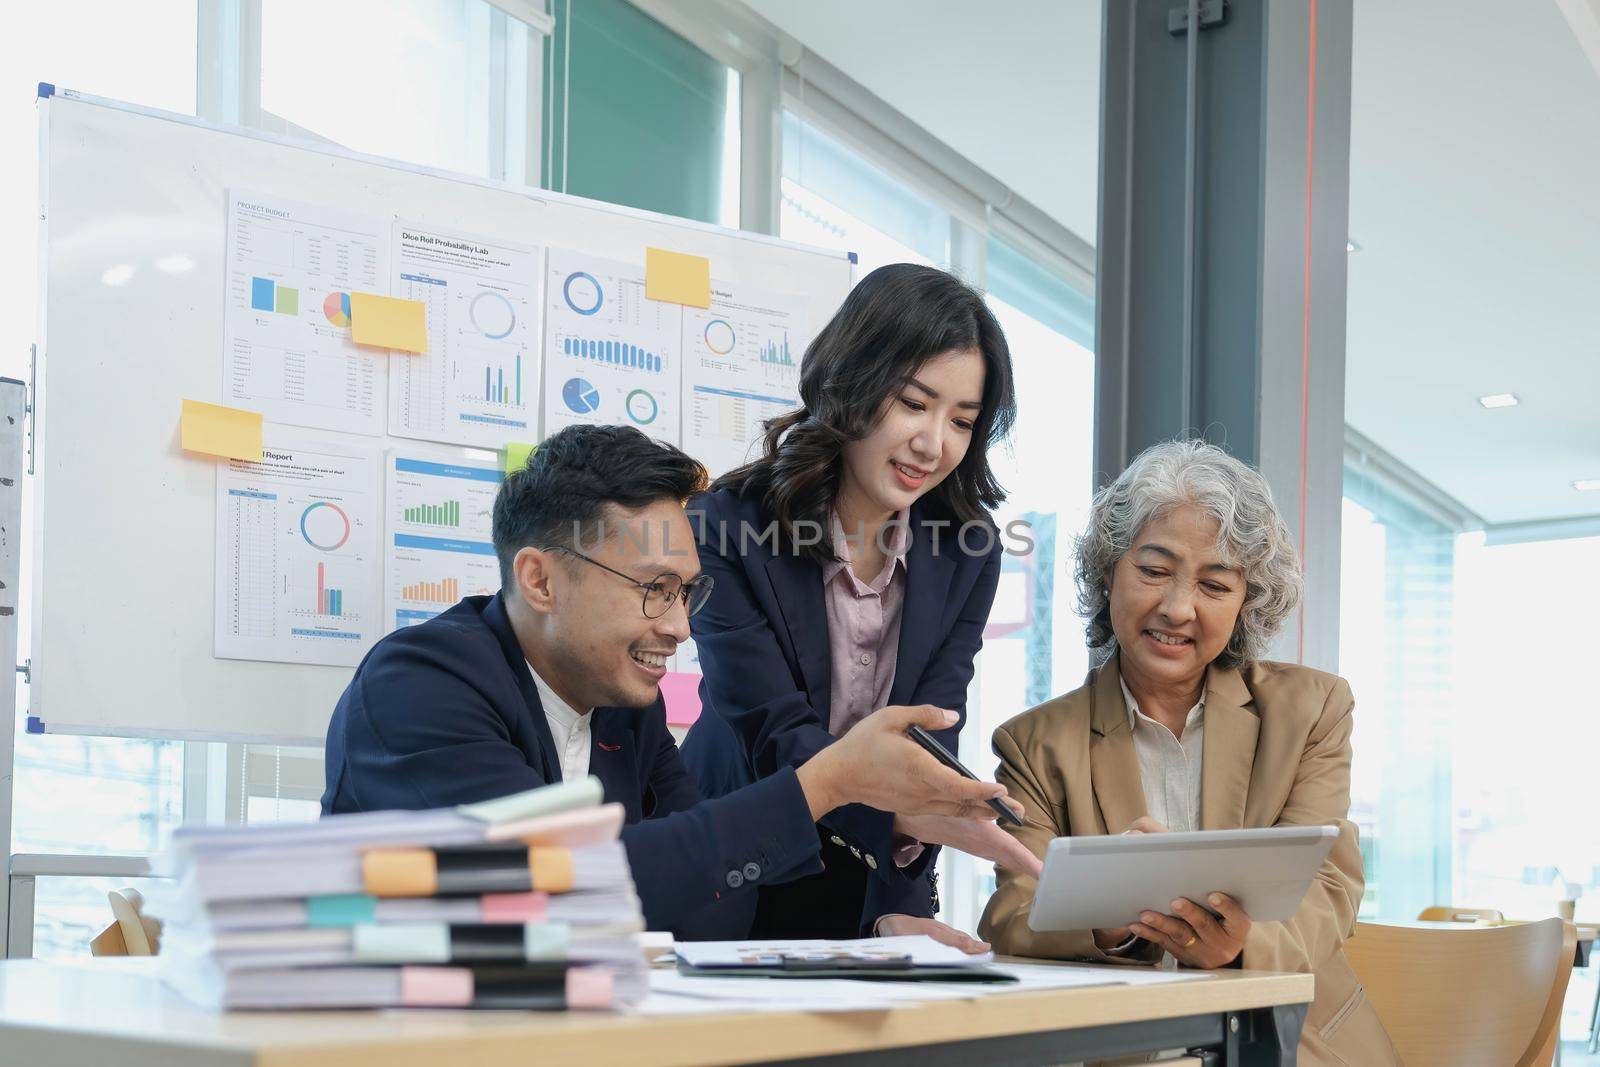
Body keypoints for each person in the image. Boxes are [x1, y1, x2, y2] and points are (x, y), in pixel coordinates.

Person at [322, 424, 1020, 940]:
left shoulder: (622, 709)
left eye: (687, 591)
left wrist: (869, 943)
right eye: (654, 588)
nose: (681, 628)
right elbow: (562, 879)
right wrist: (828, 781)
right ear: (539, 578)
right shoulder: (418, 684)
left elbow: (702, 893)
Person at [978, 439, 1400, 1067]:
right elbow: (1012, 914)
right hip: (1125, 1050)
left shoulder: (1312, 709)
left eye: (1214, 583)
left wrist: (1238, 945)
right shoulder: (1035, 743)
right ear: (1108, 571)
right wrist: (1111, 917)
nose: (1178, 607)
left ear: (1246, 600)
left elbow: (1330, 886)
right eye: (1153, 570)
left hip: (1289, 1043)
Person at [682, 264, 1040, 949]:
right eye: (913, 402)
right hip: (728, 875)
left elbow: (931, 734)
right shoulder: (725, 528)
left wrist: (897, 901)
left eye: (962, 420)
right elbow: (773, 736)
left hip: (866, 893)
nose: (933, 443)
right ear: (853, 380)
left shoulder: (967, 551)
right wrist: (909, 818)